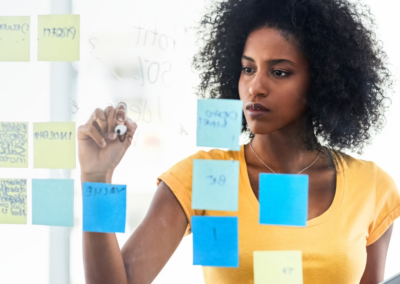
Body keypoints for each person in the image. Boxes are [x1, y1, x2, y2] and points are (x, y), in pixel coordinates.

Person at [79, 0, 400, 283]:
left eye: (279, 72)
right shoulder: (203, 175)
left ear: (322, 82)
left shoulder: (372, 186)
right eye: (248, 68)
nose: (255, 87)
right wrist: (96, 178)